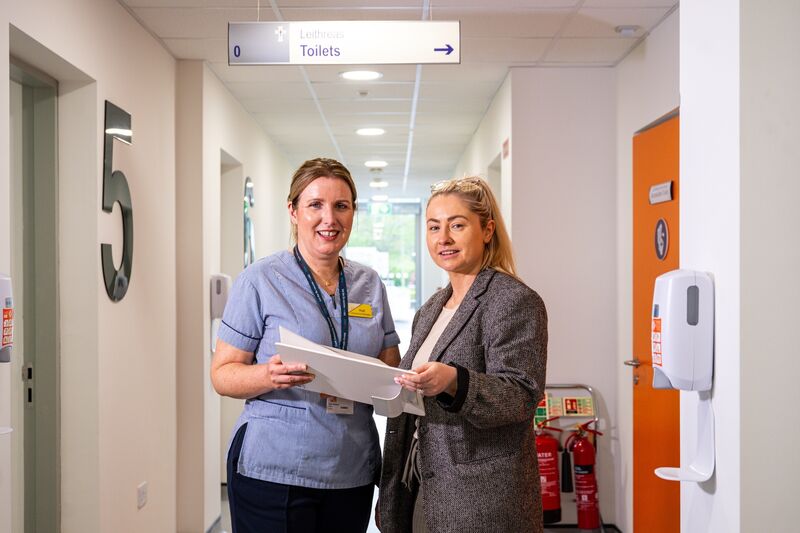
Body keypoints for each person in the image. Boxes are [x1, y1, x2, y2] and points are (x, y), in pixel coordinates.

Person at [211, 157, 401, 533]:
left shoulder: (369, 284)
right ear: (293, 211)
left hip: (350, 471)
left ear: (353, 212)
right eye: (315, 205)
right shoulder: (259, 280)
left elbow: (390, 363)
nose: (329, 218)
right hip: (275, 470)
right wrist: (268, 374)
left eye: (341, 206)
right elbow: (223, 376)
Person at [378, 176, 548, 533]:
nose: (444, 239)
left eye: (457, 225)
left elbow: (521, 395)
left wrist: (455, 382)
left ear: (487, 230)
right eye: (434, 227)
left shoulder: (513, 301)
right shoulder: (431, 309)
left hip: (481, 498)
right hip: (422, 482)